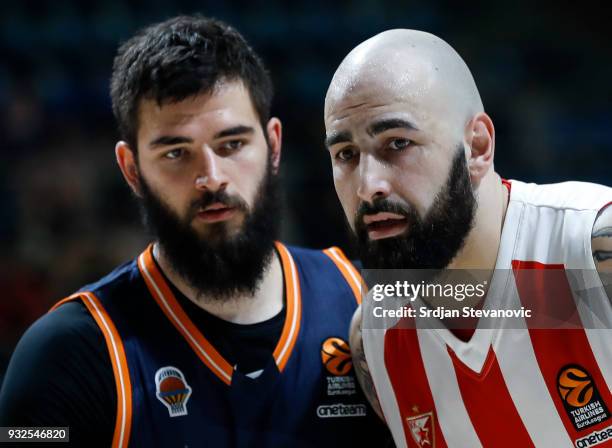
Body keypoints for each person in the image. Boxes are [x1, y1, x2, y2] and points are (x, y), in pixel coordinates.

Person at [0, 16, 390, 447]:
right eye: (176, 153)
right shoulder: (66, 353)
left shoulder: (373, 303)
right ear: (131, 170)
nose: (211, 177)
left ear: (273, 145)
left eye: (231, 145)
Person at [324, 29, 612, 447]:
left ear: (477, 146)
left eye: (397, 143)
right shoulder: (374, 338)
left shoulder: (591, 250)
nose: (368, 186)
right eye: (346, 155)